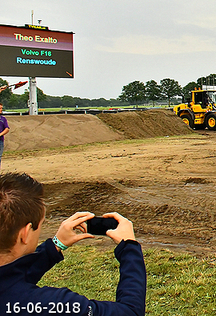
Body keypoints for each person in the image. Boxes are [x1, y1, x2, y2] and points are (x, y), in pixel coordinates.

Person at [0, 173, 146, 316]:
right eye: (40, 225)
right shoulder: (52, 305)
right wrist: (130, 248)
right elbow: (130, 311)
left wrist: (56, 245)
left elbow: (10, 278)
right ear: (24, 234)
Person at [0, 103, 9, 169]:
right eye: (0, 108)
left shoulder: (3, 119)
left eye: (1, 108)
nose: (1, 110)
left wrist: (0, 134)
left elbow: (7, 128)